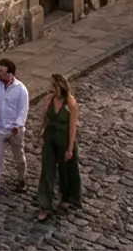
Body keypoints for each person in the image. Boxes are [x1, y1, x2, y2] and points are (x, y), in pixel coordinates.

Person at [0, 58, 29, 207]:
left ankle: (22, 178)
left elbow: (23, 110)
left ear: (10, 73)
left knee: (18, 157)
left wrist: (17, 125)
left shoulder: (21, 90)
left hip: (14, 130)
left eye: (2, 71)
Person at [35, 73, 81, 222]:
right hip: (50, 137)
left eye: (53, 85)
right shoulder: (48, 99)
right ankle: (44, 204)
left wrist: (70, 148)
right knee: (47, 169)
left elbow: (72, 128)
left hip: (63, 137)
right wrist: (41, 130)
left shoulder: (70, 104)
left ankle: (66, 197)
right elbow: (45, 118)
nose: (51, 88)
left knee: (65, 169)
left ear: (60, 86)